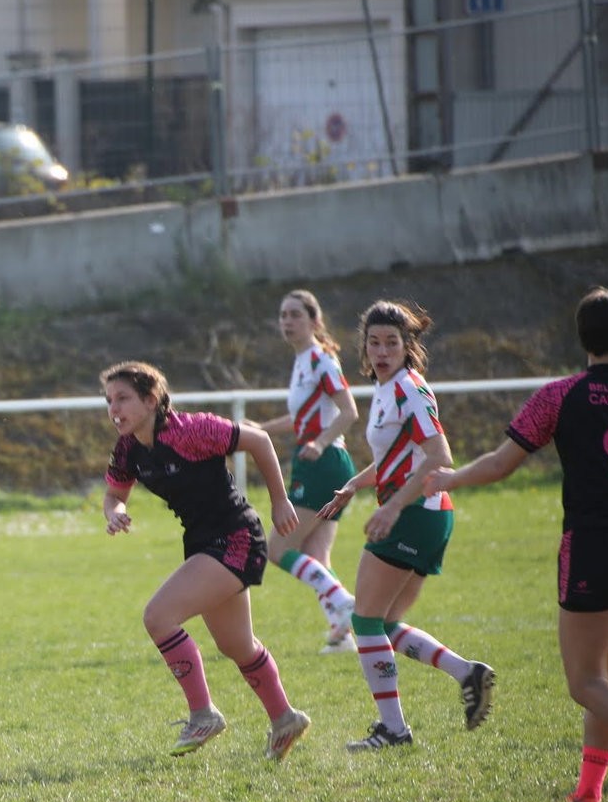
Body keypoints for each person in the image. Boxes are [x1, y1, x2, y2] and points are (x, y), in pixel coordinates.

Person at [428, 288, 608, 802]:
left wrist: (452, 478)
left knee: (587, 683)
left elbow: (500, 464)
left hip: (593, 546)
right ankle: (588, 796)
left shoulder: (559, 396)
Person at [101, 361, 313, 761]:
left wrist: (280, 501)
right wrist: (115, 512)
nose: (114, 408)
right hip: (202, 542)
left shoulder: (191, 430)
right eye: (109, 400)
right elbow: (114, 494)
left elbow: (259, 440)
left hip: (236, 537)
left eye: (123, 398)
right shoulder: (128, 447)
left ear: (151, 400)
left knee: (158, 617)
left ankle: (203, 714)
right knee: (237, 645)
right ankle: (285, 718)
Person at [317, 300, 495, 751]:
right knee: (386, 624)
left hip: (416, 514)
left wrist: (393, 507)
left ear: (407, 346)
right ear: (364, 346)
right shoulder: (386, 389)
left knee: (364, 620)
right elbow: (395, 458)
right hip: (425, 514)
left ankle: (393, 729)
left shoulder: (409, 389)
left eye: (391, 343)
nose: (381, 351)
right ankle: (466, 672)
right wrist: (354, 485)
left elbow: (439, 455)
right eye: (374, 342)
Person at [254, 290, 360, 653]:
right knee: (316, 555)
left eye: (295, 314)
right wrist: (261, 429)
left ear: (315, 321)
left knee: (277, 548)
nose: (287, 321)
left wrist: (320, 442)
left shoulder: (321, 359)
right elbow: (301, 417)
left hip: (322, 463)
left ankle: (343, 602)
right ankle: (342, 634)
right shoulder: (303, 361)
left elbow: (349, 411)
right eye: (283, 315)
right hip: (322, 462)